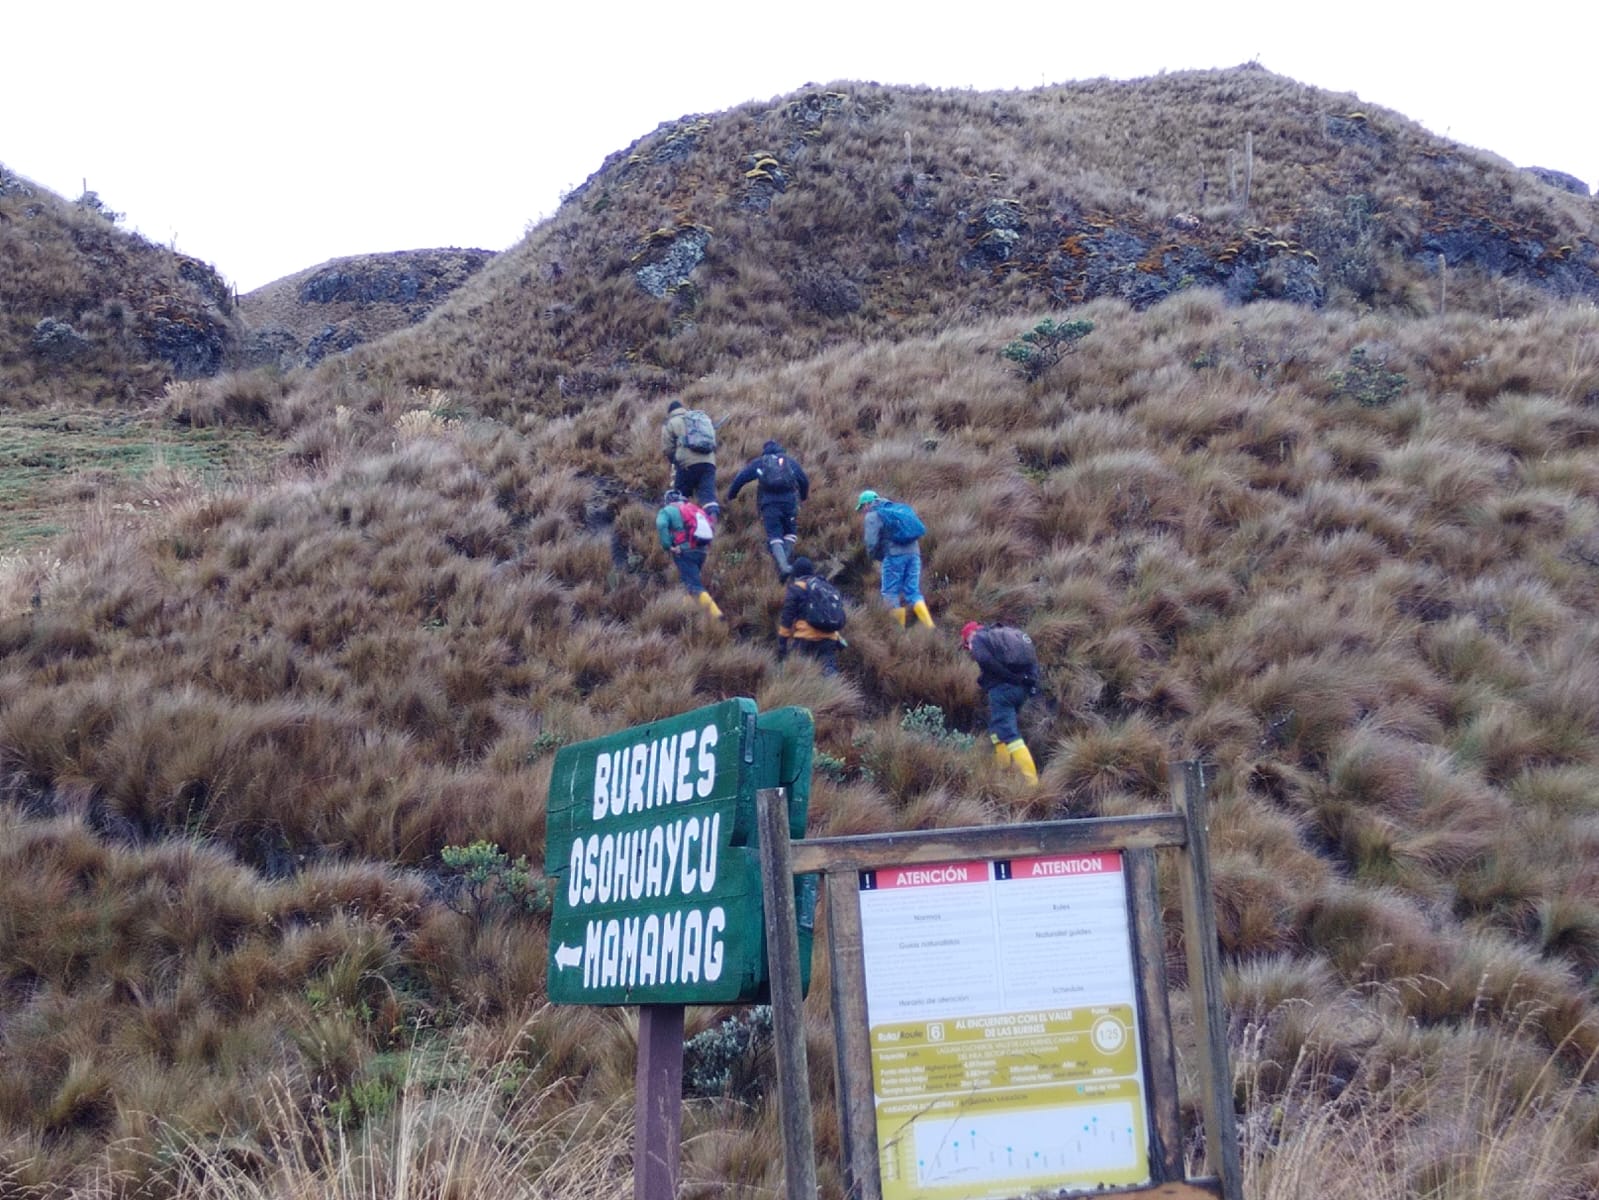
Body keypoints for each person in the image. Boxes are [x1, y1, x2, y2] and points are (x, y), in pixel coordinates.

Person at [961, 621, 1040, 784]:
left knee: (1009, 734)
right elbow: (1032, 660)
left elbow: (985, 660)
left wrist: (1009, 678)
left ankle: (1033, 784)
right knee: (997, 731)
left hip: (1002, 692)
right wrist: (1029, 683)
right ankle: (1003, 774)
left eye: (967, 644)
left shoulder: (977, 638)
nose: (970, 649)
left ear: (969, 637)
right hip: (1021, 691)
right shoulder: (1006, 636)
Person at [726, 439, 811, 580]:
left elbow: (741, 477)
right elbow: (804, 480)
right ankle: (784, 565)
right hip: (789, 502)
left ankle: (783, 566)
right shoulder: (789, 461)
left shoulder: (761, 462)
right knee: (790, 533)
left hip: (769, 504)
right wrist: (803, 497)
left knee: (774, 534)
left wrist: (731, 494)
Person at [856, 489, 933, 628]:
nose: (862, 512)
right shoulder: (898, 509)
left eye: (862, 508)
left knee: (890, 592)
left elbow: (871, 542)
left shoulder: (873, 515)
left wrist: (874, 557)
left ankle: (898, 631)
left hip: (894, 556)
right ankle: (929, 626)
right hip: (914, 554)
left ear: (867, 504)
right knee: (913, 592)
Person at [656, 489, 723, 619]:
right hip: (701, 551)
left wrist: (668, 546)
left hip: (684, 551)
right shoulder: (694, 509)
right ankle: (689, 614)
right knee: (689, 582)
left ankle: (718, 617)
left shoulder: (667, 510)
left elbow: (661, 524)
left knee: (694, 585)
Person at [777, 557, 846, 674]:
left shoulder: (796, 588)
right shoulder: (825, 586)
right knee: (829, 672)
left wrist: (782, 643)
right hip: (829, 638)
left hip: (806, 637)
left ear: (796, 573)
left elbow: (787, 617)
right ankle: (834, 685)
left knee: (800, 673)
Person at [661, 400, 720, 520]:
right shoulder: (699, 420)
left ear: (670, 412)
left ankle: (684, 526)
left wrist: (675, 462)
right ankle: (712, 524)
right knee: (708, 497)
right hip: (708, 463)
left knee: (681, 497)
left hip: (686, 465)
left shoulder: (671, 422)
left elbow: (668, 449)